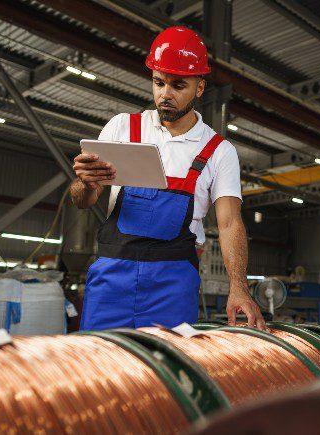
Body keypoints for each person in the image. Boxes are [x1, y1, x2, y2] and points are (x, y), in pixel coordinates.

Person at [70, 26, 265, 330]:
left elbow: (229, 223)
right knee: (100, 365)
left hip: (172, 284)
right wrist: (84, 182)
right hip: (111, 279)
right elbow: (84, 201)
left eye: (178, 85)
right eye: (159, 83)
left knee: (165, 370)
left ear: (199, 88)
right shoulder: (122, 128)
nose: (165, 94)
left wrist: (238, 286)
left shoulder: (218, 151)